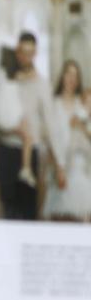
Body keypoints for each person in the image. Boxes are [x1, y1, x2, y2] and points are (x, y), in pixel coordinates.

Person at [0, 32, 55, 220]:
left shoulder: (42, 84)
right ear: (17, 52)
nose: (25, 56)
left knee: (28, 211)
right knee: (8, 209)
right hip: (5, 150)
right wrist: (10, 129)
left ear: (35, 54)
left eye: (30, 52)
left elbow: (49, 123)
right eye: (22, 52)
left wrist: (55, 161)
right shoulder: (7, 79)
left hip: (28, 153)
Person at [45, 60, 91, 221]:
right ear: (62, 77)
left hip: (80, 166)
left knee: (83, 217)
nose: (71, 78)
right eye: (68, 74)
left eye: (75, 75)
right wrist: (59, 167)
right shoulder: (54, 104)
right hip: (60, 164)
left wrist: (81, 126)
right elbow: (52, 138)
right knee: (61, 217)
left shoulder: (83, 103)